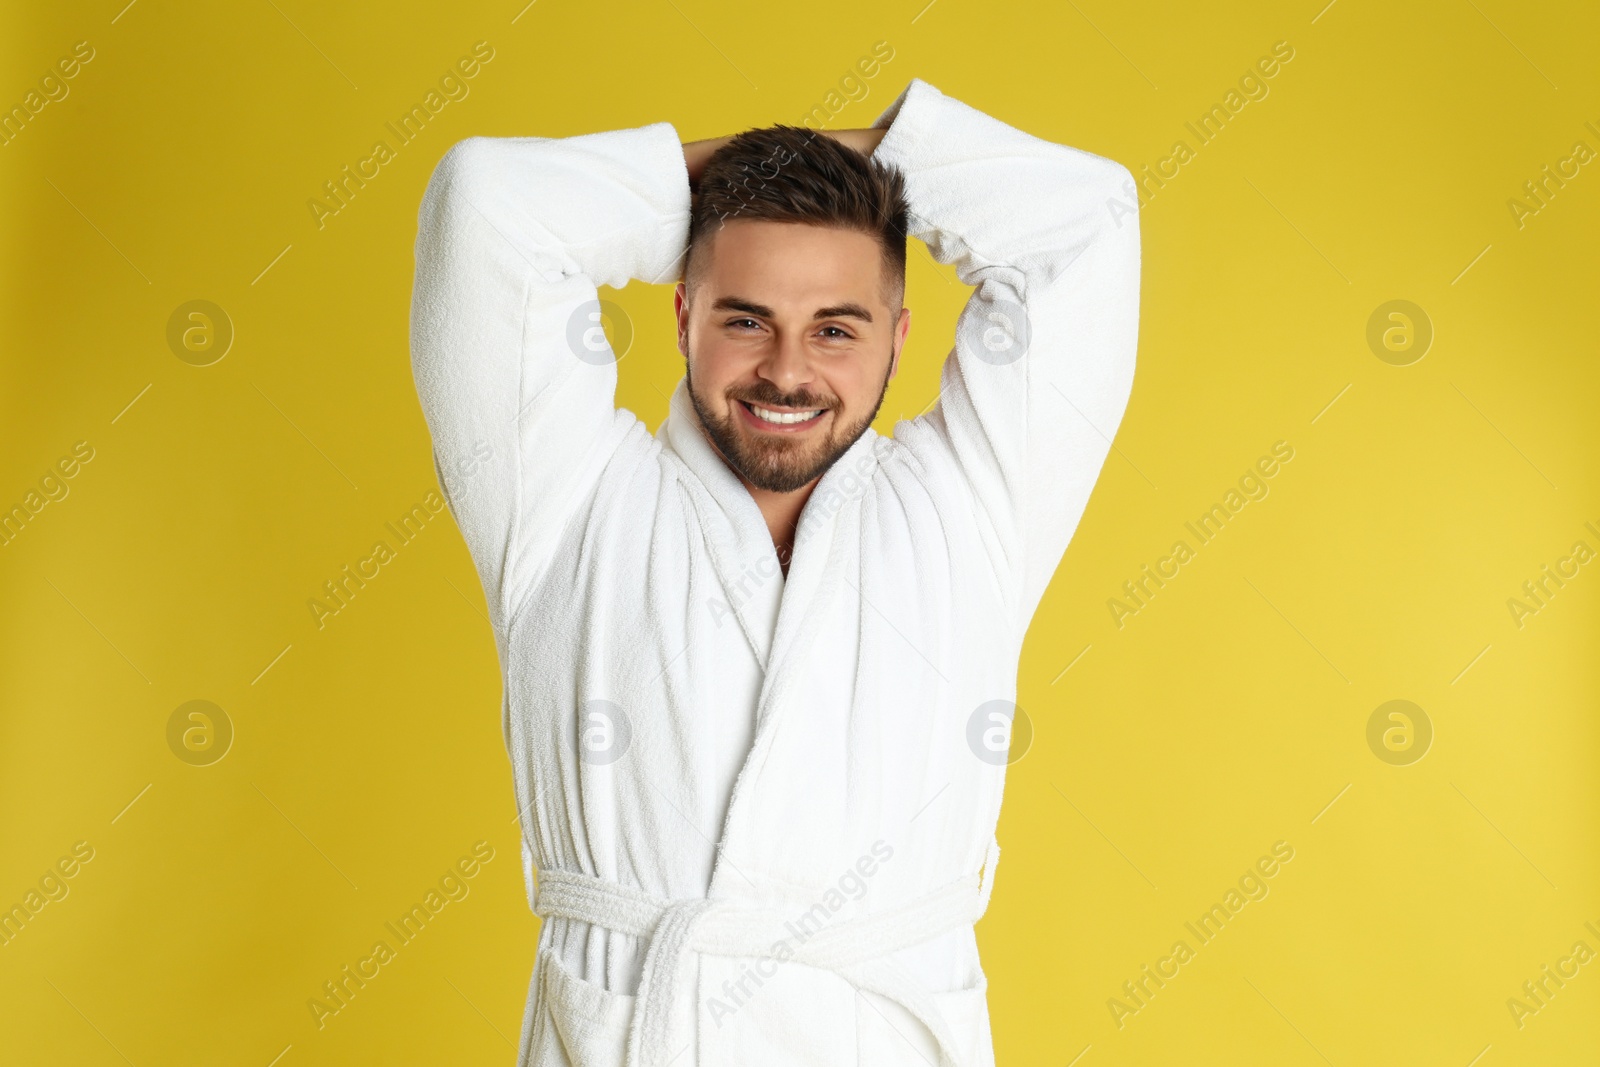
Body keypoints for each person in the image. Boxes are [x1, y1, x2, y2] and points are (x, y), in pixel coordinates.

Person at [409, 76, 1140, 1067]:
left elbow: (1082, 221)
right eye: (744, 318)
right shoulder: (564, 501)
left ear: (896, 337)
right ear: (680, 318)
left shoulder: (973, 505)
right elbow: (488, 203)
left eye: (835, 327)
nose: (787, 371)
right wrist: (753, 180)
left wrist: (827, 162)